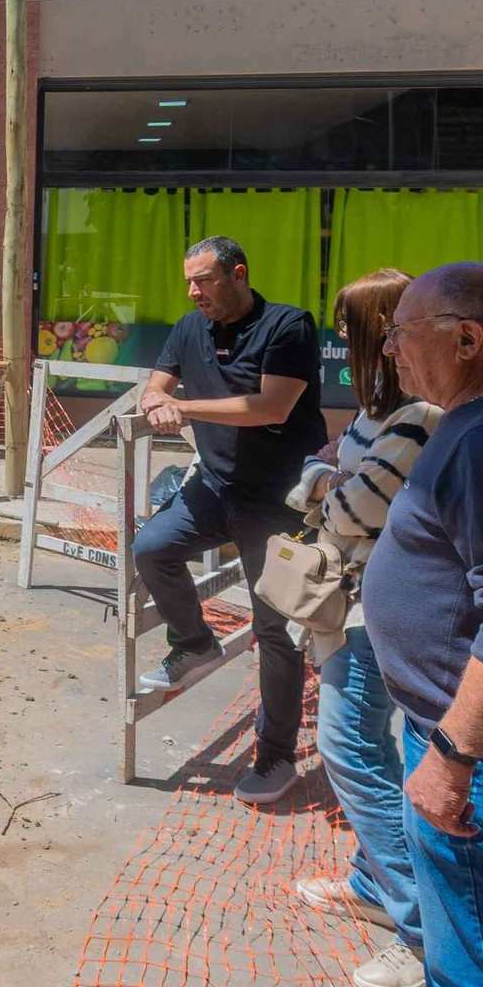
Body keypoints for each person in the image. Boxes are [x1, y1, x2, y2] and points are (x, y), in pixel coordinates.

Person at [133, 236, 326, 805]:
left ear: (238, 273)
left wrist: (182, 408)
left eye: (204, 280)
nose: (194, 292)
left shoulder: (288, 326)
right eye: (188, 282)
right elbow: (156, 384)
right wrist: (155, 401)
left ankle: (275, 756)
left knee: (275, 632)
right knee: (152, 547)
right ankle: (194, 642)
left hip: (279, 502)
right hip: (215, 488)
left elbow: (271, 406)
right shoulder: (188, 327)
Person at [288, 270, 440, 987]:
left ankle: (420, 929)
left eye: (350, 326)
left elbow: (352, 509)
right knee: (368, 745)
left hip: (370, 607)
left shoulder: (420, 415)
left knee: (348, 747)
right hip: (349, 598)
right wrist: (328, 483)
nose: (341, 338)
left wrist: (325, 486)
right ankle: (374, 883)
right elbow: (323, 474)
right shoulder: (379, 412)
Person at [360, 262, 483, 987]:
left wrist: (450, 756)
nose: (389, 350)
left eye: (401, 332)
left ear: (467, 340)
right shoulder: (460, 427)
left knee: (464, 956)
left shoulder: (476, 440)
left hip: (460, 752)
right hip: (442, 734)